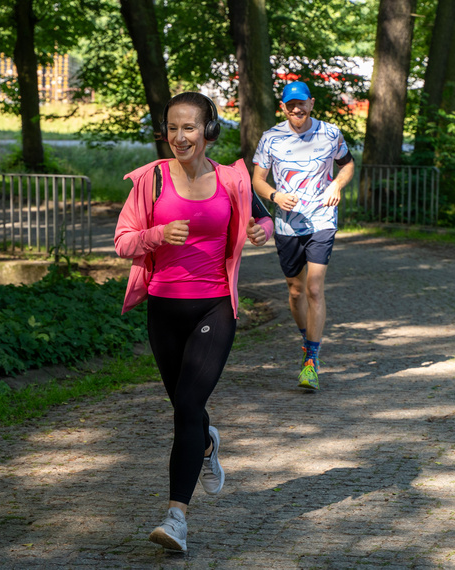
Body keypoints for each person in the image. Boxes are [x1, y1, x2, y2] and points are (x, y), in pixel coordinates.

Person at [114, 92, 273, 553]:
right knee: (186, 410)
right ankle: (205, 442)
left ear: (208, 130)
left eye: (189, 127)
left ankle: (176, 517)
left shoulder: (232, 179)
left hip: (215, 306)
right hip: (164, 308)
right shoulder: (152, 179)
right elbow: (124, 241)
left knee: (187, 403)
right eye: (172, 127)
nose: (179, 136)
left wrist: (260, 230)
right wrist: (156, 235)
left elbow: (257, 222)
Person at [251, 81, 354, 391]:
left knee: (314, 287)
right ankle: (306, 338)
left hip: (322, 219)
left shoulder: (330, 133)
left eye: (301, 103)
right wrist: (274, 196)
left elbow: (348, 165)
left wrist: (337, 185)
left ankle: (311, 358)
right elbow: (257, 179)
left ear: (311, 103)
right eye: (290, 105)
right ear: (284, 107)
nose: (296, 109)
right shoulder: (271, 138)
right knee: (296, 291)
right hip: (287, 226)